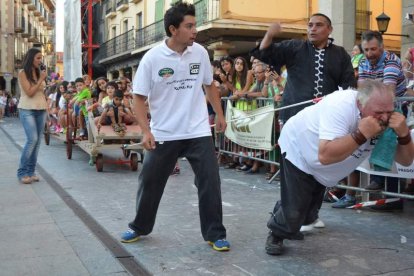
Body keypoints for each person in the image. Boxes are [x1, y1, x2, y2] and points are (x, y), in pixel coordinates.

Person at [121, 2, 230, 252]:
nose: (195, 31)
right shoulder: (152, 58)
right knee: (150, 182)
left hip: (198, 131)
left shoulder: (200, 53)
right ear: (173, 29)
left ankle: (215, 234)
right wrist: (146, 131)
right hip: (164, 133)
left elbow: (209, 85)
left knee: (210, 182)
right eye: (189, 26)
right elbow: (138, 97)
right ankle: (139, 227)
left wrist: (220, 114)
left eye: (195, 25)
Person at [265, 80, 414, 256]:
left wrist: (404, 135)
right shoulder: (341, 105)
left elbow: (405, 161)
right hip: (299, 151)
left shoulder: (389, 120)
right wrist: (361, 134)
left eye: (389, 111)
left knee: (307, 216)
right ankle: (276, 233)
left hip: (325, 169)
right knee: (294, 214)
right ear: (360, 104)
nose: (384, 117)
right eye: (378, 112)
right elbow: (326, 155)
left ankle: (288, 206)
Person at [251, 13, 356, 229]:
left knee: (320, 168)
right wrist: (269, 35)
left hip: (325, 121)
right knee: (293, 170)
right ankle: (287, 217)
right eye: (310, 25)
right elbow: (265, 53)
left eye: (318, 25)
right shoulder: (295, 47)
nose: (312, 29)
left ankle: (311, 214)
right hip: (293, 120)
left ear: (329, 30)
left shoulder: (340, 55)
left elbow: (348, 87)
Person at [16, 47, 48, 184]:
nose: (40, 60)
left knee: (37, 142)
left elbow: (41, 93)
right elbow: (29, 92)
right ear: (31, 59)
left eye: (41, 58)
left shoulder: (39, 72)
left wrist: (48, 107)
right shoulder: (22, 73)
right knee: (32, 139)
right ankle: (22, 172)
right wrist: (41, 79)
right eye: (38, 58)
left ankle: (31, 171)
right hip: (27, 109)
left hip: (41, 109)